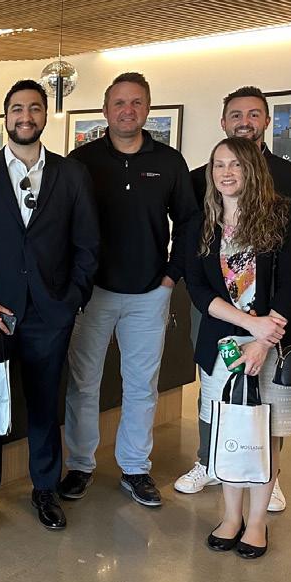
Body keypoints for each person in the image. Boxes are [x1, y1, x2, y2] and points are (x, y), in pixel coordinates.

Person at [0, 79, 99, 532]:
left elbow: (87, 245)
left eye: (34, 108)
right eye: (17, 108)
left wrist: (71, 300)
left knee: (44, 406)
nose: (26, 116)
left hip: (49, 315)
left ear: (45, 116)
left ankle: (45, 489)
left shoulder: (72, 175)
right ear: (6, 116)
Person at [175, 85, 291, 513]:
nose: (226, 172)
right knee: (218, 396)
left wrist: (266, 327)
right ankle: (210, 461)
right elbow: (196, 274)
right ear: (223, 122)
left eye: (254, 114)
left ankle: (267, 477)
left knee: (269, 407)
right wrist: (244, 321)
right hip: (221, 318)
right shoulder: (200, 195)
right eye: (236, 114)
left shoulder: (287, 191)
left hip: (274, 316)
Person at [60, 73, 197, 507]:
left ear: (147, 109)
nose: (127, 110)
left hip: (149, 294)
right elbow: (61, 224)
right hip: (93, 293)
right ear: (105, 110)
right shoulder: (81, 161)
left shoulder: (169, 162)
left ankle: (135, 468)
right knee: (84, 385)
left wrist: (171, 276)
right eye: (119, 103)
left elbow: (190, 222)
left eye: (136, 102)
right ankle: (80, 465)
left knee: (141, 386)